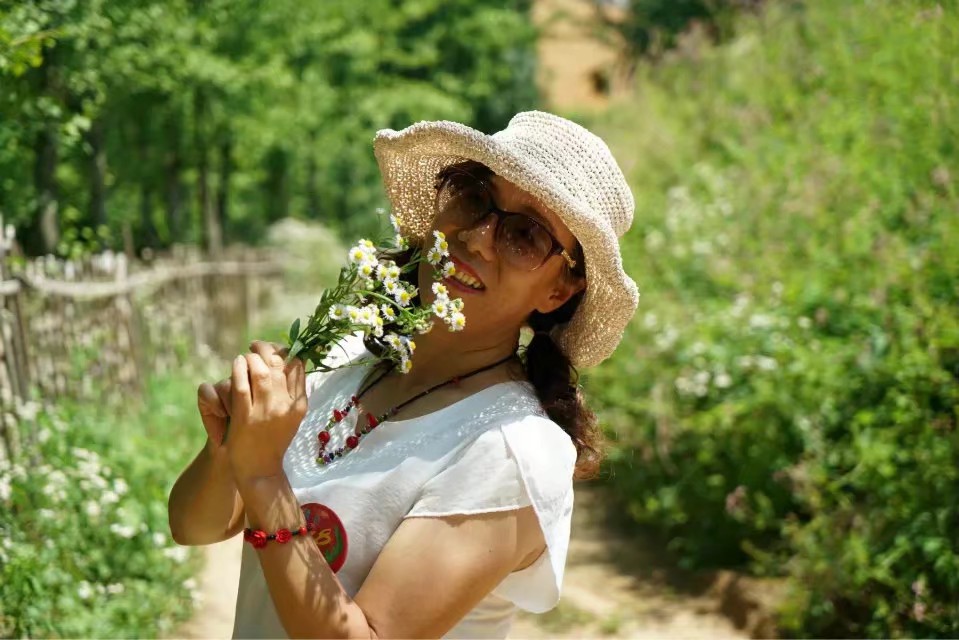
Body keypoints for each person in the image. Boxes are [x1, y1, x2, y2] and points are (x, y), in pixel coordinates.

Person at [168, 110, 639, 639]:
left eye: (525, 236)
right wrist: (230, 446)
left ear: (558, 292)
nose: (479, 237)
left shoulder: (511, 450)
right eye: (474, 195)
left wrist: (261, 478)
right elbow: (194, 525)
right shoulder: (347, 356)